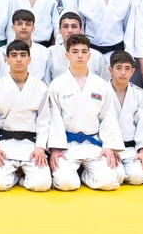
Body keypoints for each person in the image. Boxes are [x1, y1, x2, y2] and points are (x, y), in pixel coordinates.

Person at [0, 40, 52, 191]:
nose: (18, 59)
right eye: (14, 55)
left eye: (23, 55)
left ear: (29, 59)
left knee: (42, 184)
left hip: (31, 145)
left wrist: (40, 147)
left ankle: (23, 180)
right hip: (4, 145)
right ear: (7, 59)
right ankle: (15, 177)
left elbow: (44, 120)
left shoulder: (40, 88)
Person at [46, 34, 123, 191]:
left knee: (110, 182)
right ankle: (76, 174)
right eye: (75, 52)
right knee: (66, 184)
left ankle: (84, 175)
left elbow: (108, 118)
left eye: (84, 52)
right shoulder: (57, 85)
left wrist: (109, 146)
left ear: (89, 55)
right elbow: (54, 119)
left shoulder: (101, 85)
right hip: (67, 145)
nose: (80, 56)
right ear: (67, 55)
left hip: (93, 143)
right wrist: (55, 148)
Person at [104, 51, 143, 185]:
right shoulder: (101, 92)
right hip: (108, 147)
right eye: (118, 68)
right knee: (116, 177)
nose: (123, 73)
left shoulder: (140, 95)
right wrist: (107, 147)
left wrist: (142, 151)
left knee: (137, 178)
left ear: (133, 71)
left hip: (130, 148)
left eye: (127, 68)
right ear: (110, 70)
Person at [4, 9, 53, 84]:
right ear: (13, 27)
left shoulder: (44, 52)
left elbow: (47, 81)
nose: (24, 27)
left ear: (33, 28)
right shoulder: (2, 52)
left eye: (28, 24)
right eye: (19, 24)